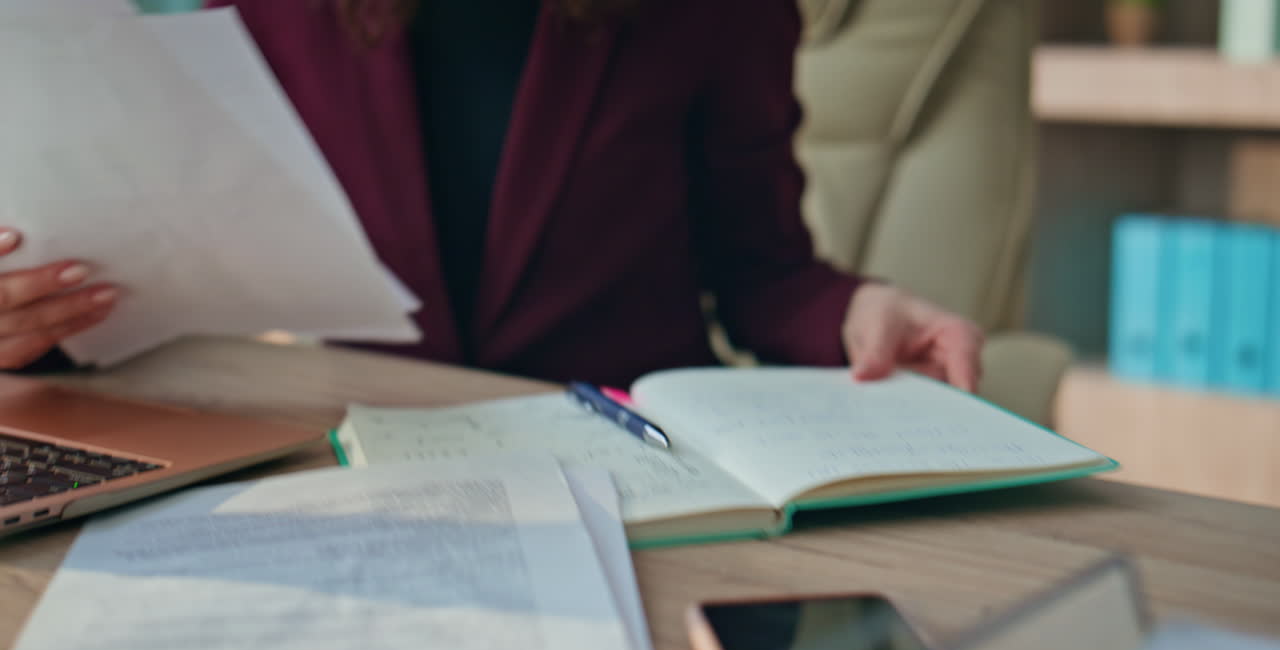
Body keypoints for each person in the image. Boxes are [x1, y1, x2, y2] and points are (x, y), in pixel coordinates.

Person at [0, 0, 982, 391]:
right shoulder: (257, 11)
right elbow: (163, 260)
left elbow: (765, 271)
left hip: (641, 477)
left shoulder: (714, 7)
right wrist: (35, 320)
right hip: (368, 463)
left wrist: (858, 309)